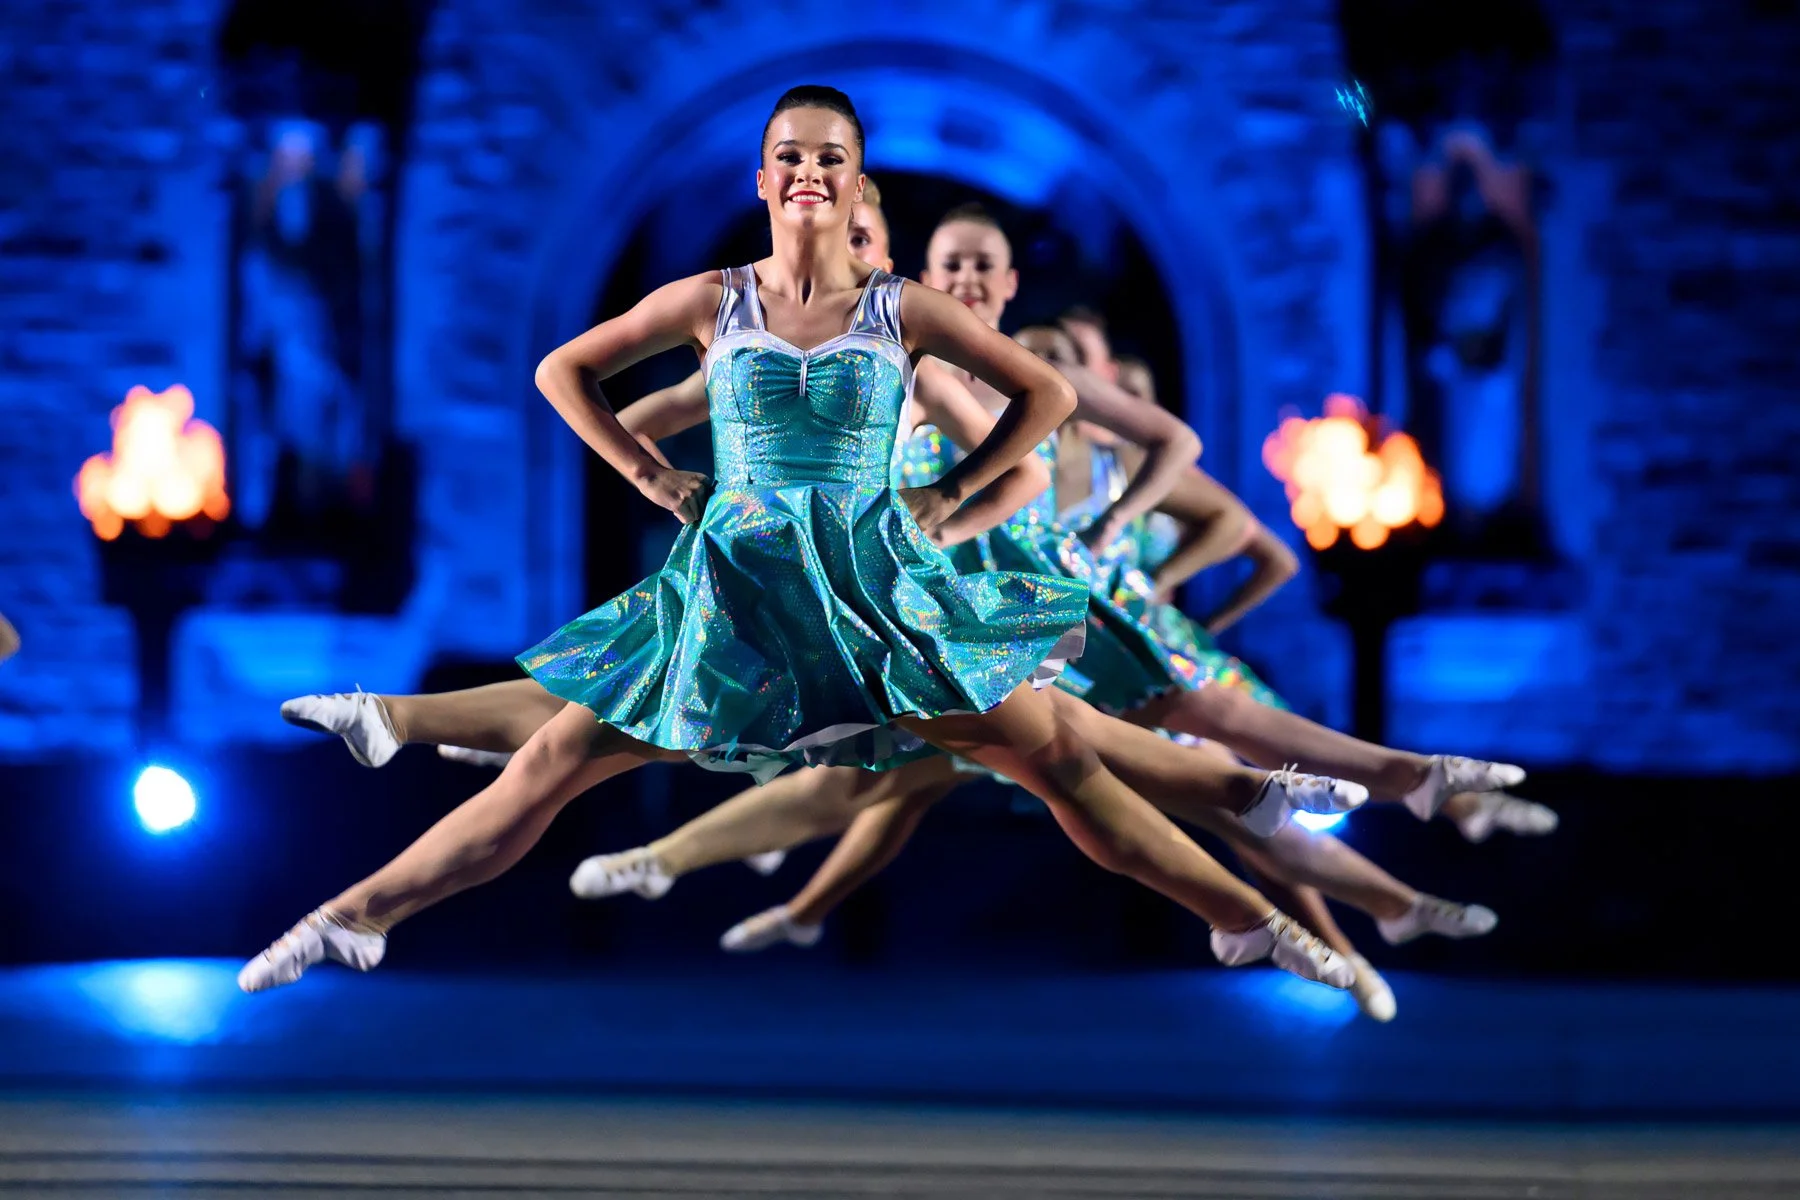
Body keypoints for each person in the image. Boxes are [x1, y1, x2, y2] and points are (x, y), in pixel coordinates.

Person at [239, 85, 1360, 994]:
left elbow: (1046, 404)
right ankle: (354, 916)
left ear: (855, 174)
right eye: (789, 154)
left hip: (875, 596)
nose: (808, 173)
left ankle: (1245, 911)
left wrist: (950, 495)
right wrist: (650, 475)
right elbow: (560, 372)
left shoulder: (902, 306)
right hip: (736, 590)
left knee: (1059, 752)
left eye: (830, 155)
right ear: (763, 175)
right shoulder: (713, 300)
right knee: (551, 763)